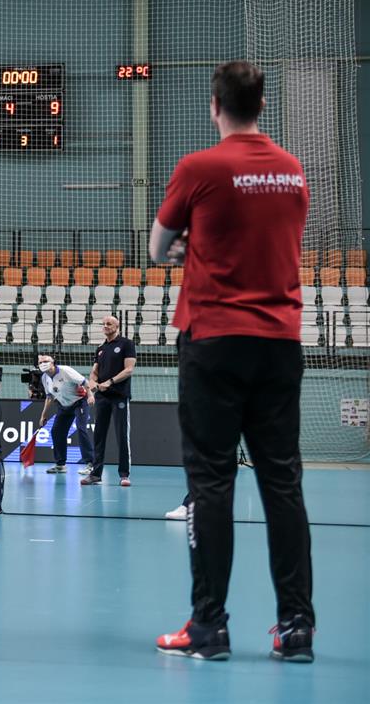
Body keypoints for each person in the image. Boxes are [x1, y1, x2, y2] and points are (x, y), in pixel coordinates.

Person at [151, 60, 314, 662]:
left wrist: (192, 244)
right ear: (262, 106)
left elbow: (157, 248)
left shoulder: (199, 167)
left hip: (214, 340)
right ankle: (296, 628)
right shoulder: (292, 169)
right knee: (283, 482)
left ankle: (209, 627)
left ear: (214, 106)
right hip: (279, 343)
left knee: (212, 483)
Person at [81, 316, 137, 487]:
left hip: (119, 396)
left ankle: (124, 474)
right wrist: (92, 382)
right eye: (103, 324)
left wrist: (110, 382)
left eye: (109, 324)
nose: (105, 326)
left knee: (122, 435)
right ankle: (95, 474)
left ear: (117, 326)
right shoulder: (100, 348)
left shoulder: (127, 344)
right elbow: (94, 372)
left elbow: (129, 369)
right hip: (102, 398)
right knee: (99, 435)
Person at [33, 353, 95, 474]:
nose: (43, 364)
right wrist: (43, 415)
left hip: (80, 402)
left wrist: (90, 395)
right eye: (40, 362)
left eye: (45, 361)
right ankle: (60, 465)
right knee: (56, 431)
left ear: (53, 362)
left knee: (81, 428)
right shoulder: (44, 378)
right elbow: (49, 397)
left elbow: (85, 382)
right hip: (64, 405)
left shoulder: (65, 371)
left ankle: (90, 464)